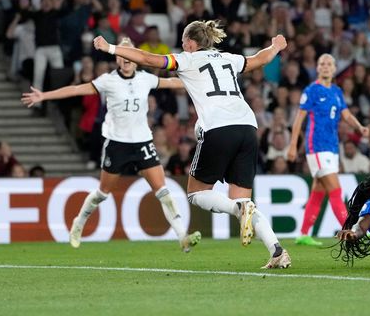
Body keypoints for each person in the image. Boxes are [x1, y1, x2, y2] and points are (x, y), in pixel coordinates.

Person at [92, 21, 291, 269]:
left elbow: (148, 59)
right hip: (248, 128)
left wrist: (111, 48)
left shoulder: (187, 59)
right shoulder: (229, 58)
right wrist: (275, 46)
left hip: (219, 127)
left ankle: (239, 207)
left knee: (197, 194)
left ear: (189, 43)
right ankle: (277, 251)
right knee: (242, 201)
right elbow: (259, 59)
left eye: (184, 42)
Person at [21, 39, 201, 252]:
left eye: (129, 54)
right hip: (117, 144)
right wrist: (44, 95)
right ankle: (79, 222)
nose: (125, 59)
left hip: (142, 142)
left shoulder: (146, 79)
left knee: (163, 191)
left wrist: (202, 80)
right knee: (103, 193)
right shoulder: (108, 81)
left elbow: (173, 83)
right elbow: (77, 89)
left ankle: (182, 237)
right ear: (117, 58)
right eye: (122, 55)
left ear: (135, 58)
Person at [287, 53, 369, 247]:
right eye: (322, 63)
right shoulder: (311, 90)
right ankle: (350, 230)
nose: (325, 66)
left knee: (319, 191)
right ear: (317, 68)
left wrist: (359, 127)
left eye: (329, 64)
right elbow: (299, 119)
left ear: (334, 69)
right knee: (335, 189)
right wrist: (292, 145)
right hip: (317, 147)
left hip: (332, 147)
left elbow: (346, 115)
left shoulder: (336, 91)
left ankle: (303, 233)